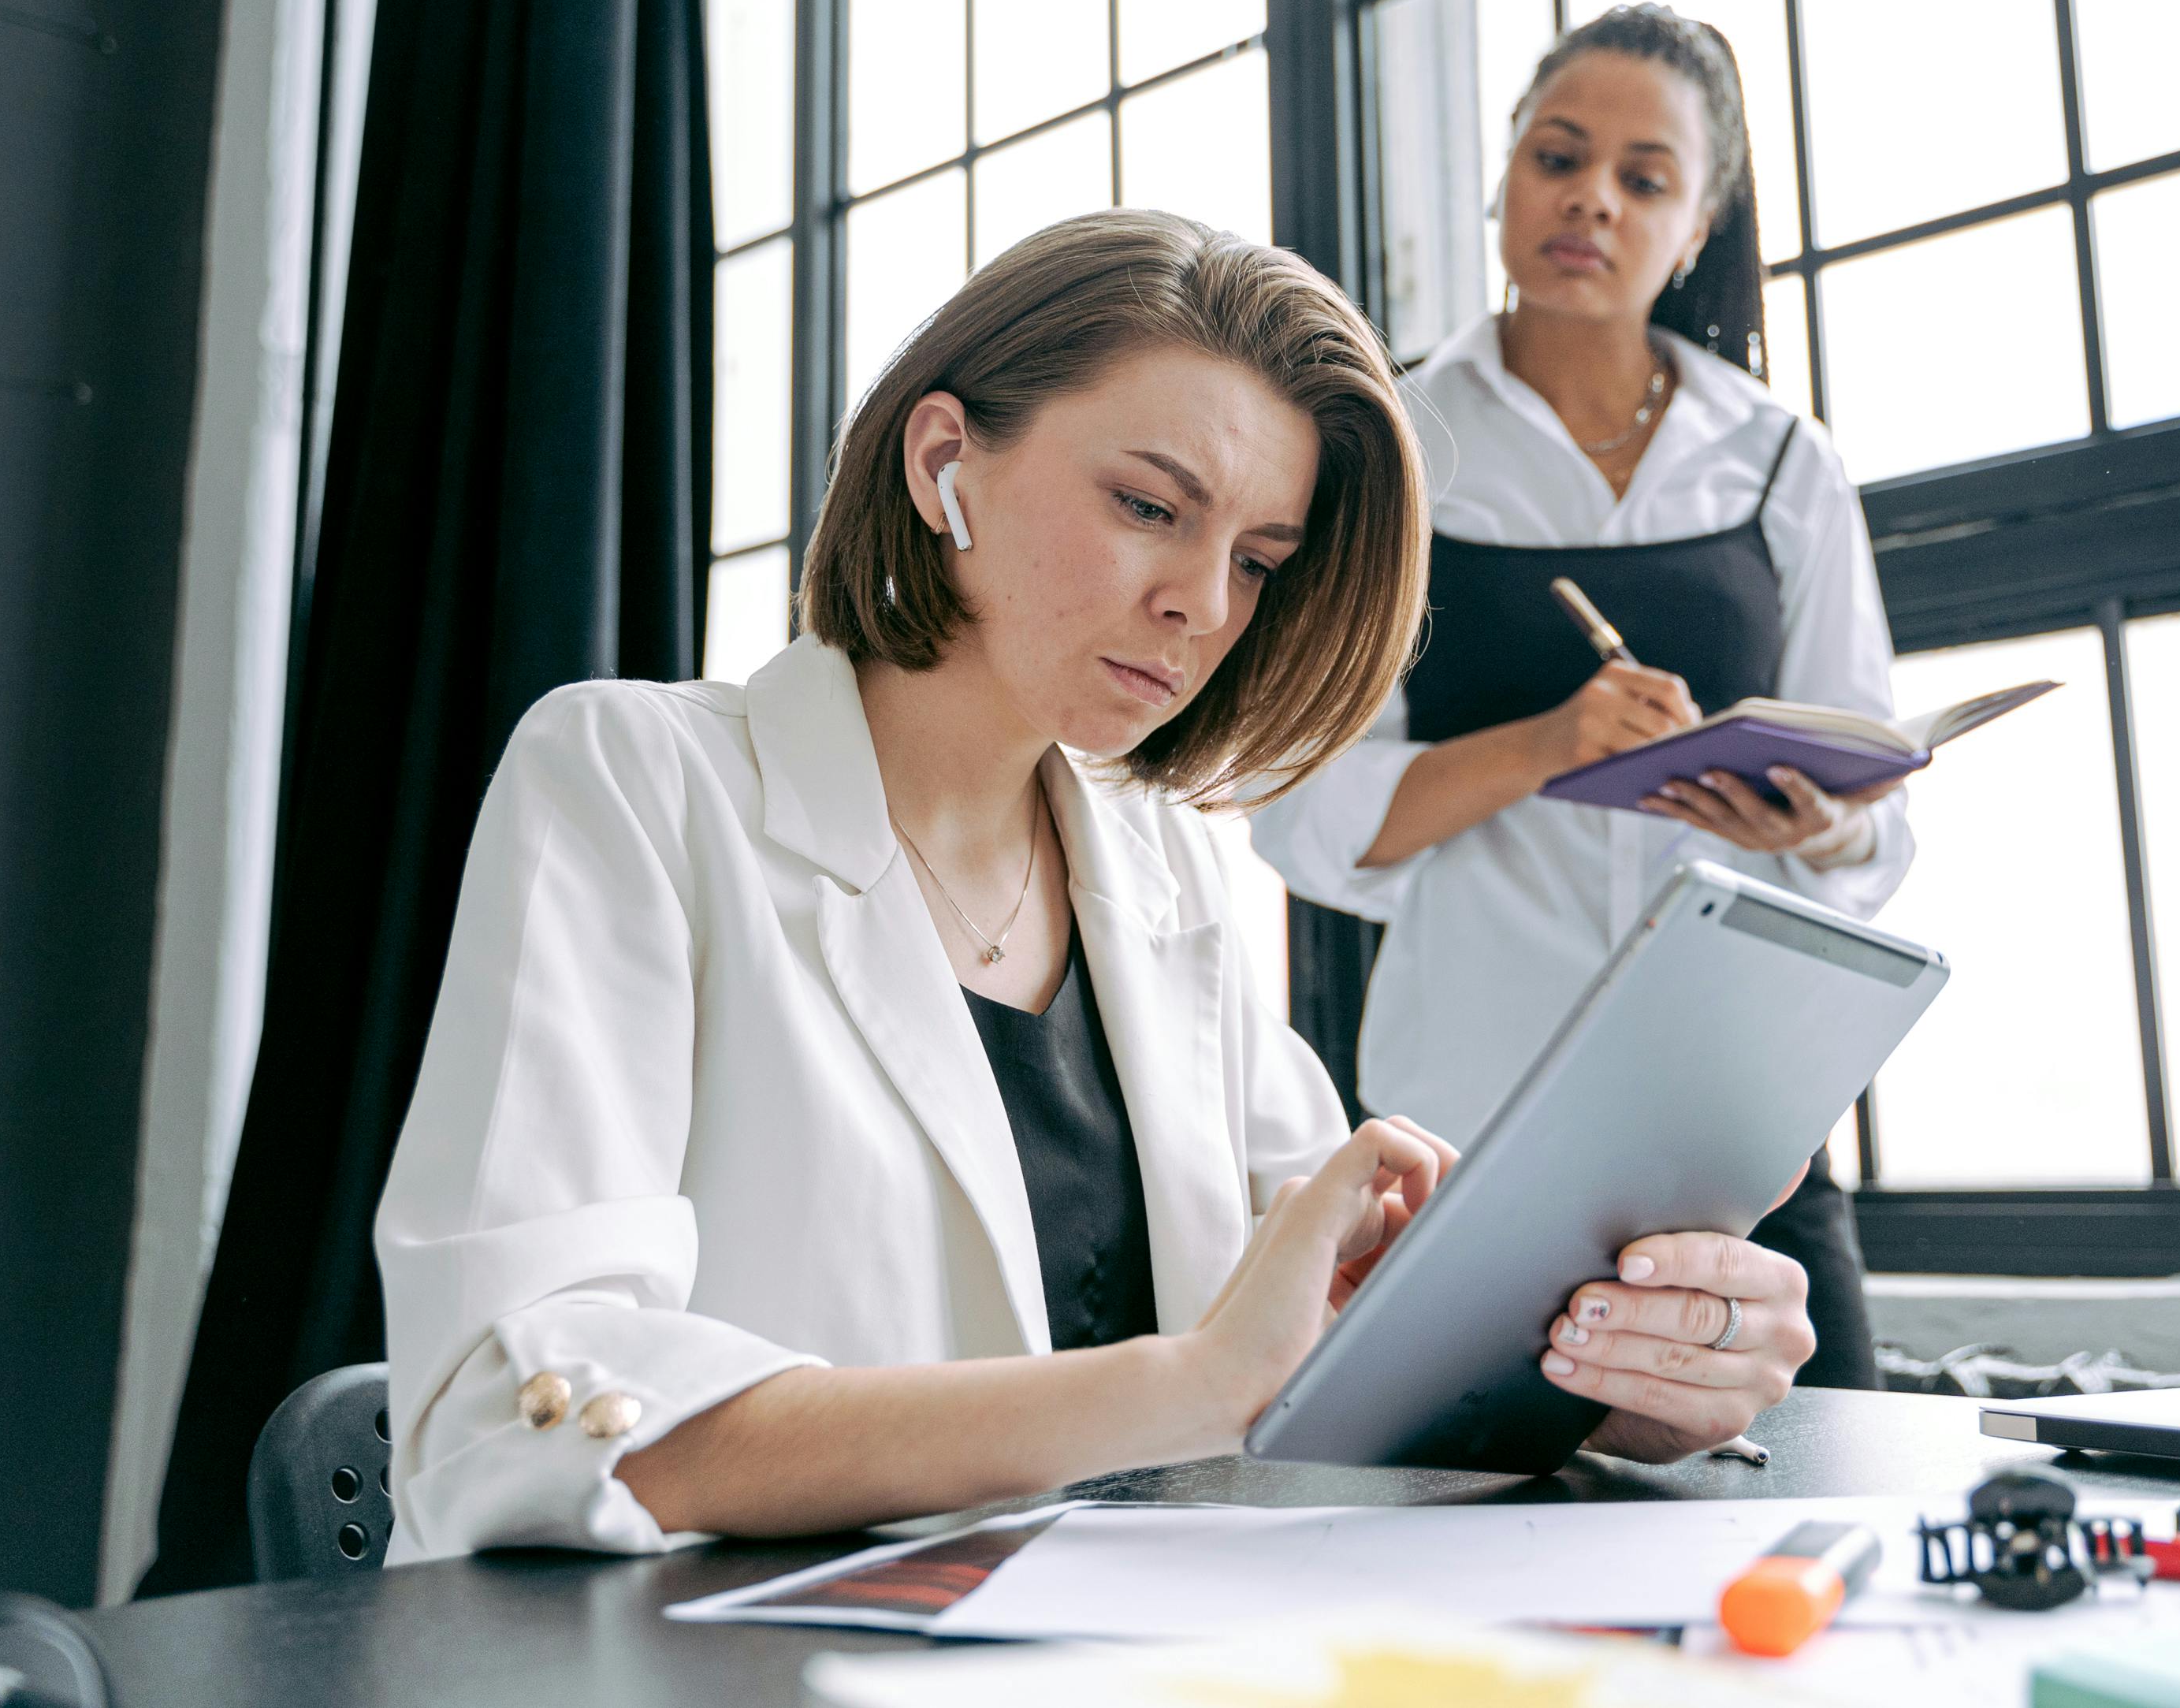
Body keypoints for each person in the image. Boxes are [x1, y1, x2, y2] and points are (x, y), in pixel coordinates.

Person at [374, 211, 1821, 1559]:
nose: (1204, 603)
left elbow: (1334, 1341)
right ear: (946, 461)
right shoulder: (636, 780)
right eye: (1147, 505)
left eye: (1259, 559)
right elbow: (516, 1412)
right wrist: (1184, 1386)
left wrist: (1608, 1372)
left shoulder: (1166, 868)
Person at [1253, 8, 1915, 1391]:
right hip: (1463, 1118)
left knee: (1821, 1494)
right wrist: (1550, 745)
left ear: (1700, 219)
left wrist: (1817, 824)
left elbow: (1877, 824)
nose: (1590, 200)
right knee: (1460, 1525)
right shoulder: (1395, 447)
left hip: (1737, 1114)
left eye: (1643, 178)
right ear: (1505, 171)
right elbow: (1305, 814)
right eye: (1558, 156)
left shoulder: (1784, 463)